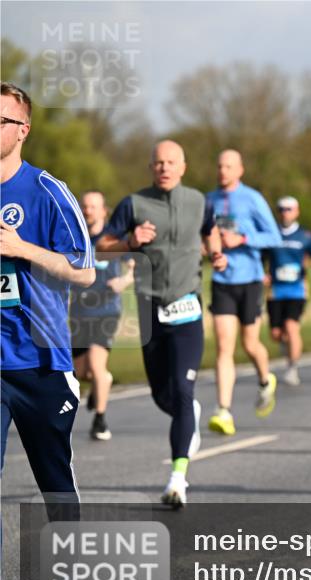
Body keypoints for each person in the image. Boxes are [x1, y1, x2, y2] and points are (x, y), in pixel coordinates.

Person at [1, 83, 95, 580]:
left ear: (22, 129)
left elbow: (84, 270)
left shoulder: (46, 190)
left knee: (54, 482)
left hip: (41, 361)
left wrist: (22, 249)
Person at [100, 140, 224, 507]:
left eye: (171, 162)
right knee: (161, 394)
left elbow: (210, 229)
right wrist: (129, 240)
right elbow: (102, 246)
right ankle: (190, 414)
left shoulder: (199, 201)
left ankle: (177, 479)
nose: (164, 168)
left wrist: (216, 253)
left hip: (187, 308)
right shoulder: (134, 204)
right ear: (150, 167)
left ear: (183, 166)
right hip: (150, 308)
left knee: (183, 392)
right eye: (158, 163)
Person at [204, 149, 282, 435]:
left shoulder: (252, 198)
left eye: (228, 166)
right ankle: (223, 410)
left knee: (250, 345)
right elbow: (203, 235)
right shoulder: (208, 200)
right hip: (223, 278)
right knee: (224, 346)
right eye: (220, 166)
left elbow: (274, 236)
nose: (223, 171)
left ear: (240, 170)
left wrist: (244, 238)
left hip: (249, 279)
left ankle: (265, 379)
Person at [70, 190, 134, 440]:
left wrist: (124, 280)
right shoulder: (75, 236)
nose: (88, 211)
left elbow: (134, 266)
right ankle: (102, 383)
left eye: (93, 206)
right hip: (79, 311)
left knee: (96, 365)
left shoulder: (112, 237)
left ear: (103, 210)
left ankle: (100, 420)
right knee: (83, 372)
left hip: (106, 310)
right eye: (85, 206)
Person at [261, 196, 311, 386]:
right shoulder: (271, 234)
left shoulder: (305, 236)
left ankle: (292, 368)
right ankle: (285, 345)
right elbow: (261, 258)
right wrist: (263, 274)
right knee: (276, 333)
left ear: (296, 211)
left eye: (289, 209)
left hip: (297, 289)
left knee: (292, 327)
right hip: (276, 290)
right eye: (282, 209)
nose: (285, 213)